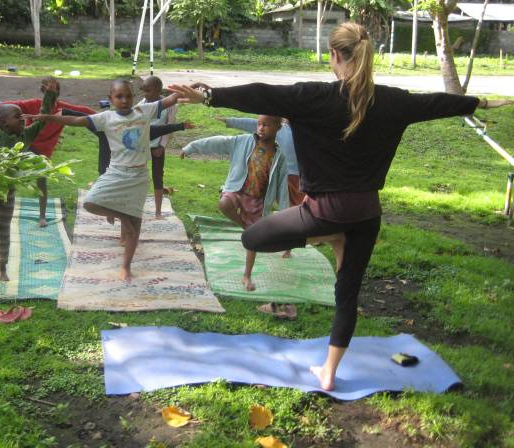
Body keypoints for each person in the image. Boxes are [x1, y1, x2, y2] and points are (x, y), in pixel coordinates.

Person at [168, 21, 514, 391]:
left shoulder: (312, 97)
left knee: (252, 238)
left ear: (334, 54)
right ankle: (329, 373)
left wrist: (209, 96)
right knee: (346, 294)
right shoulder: (393, 100)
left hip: (324, 212)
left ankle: (329, 236)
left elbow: (263, 94)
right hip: (367, 214)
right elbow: (433, 103)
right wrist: (479, 102)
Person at [24, 80, 190, 281]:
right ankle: (121, 215)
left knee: (135, 226)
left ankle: (126, 267)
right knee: (90, 202)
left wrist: (190, 89)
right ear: (110, 98)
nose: (124, 100)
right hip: (116, 172)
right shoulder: (105, 117)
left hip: (139, 177)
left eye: (128, 96)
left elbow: (171, 100)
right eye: (119, 96)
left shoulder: (144, 111)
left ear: (134, 97)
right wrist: (48, 117)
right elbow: (76, 120)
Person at [180, 115, 289, 292]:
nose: (261, 128)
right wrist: (191, 147)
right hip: (236, 191)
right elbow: (218, 142)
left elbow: (282, 188)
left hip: (257, 202)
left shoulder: (280, 157)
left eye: (267, 125)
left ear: (278, 127)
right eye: (259, 124)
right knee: (224, 204)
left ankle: (247, 275)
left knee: (253, 241)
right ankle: (244, 226)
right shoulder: (243, 141)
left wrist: (285, 215)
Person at [0, 77, 97, 227]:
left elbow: (85, 112)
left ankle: (42, 216)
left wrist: (107, 118)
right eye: (49, 91)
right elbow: (5, 107)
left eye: (54, 91)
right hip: (26, 146)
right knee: (4, 178)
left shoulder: (63, 109)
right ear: (43, 91)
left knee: (42, 180)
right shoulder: (32, 105)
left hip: (42, 152)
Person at [0, 79, 60, 281]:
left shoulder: (25, 136)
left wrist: (50, 95)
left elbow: (42, 119)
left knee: (5, 234)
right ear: (4, 123)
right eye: (18, 116)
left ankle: (2, 267)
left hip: (8, 193)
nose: (23, 118)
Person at [218, 115, 304, 258]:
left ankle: (289, 243)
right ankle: (254, 230)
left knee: (291, 212)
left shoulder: (303, 130)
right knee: (287, 212)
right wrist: (229, 121)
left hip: (295, 176)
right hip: (276, 174)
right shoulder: (278, 127)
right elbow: (252, 123)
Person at [140, 76, 178, 219]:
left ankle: (158, 212)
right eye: (143, 90)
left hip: (157, 147)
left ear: (158, 91)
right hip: (141, 147)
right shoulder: (141, 105)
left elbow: (169, 127)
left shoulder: (170, 106)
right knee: (138, 176)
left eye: (148, 91)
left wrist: (162, 146)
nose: (145, 94)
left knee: (157, 176)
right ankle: (135, 206)